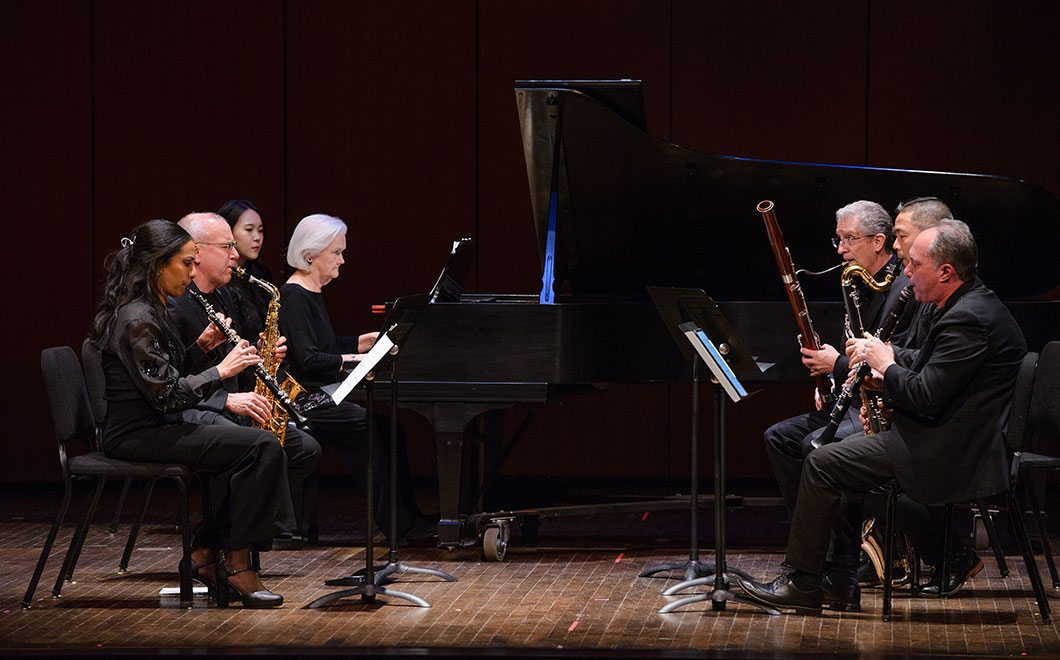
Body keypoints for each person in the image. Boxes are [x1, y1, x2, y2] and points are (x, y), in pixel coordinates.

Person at [738, 220, 1027, 613]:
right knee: (834, 456)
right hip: (940, 434)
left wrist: (886, 367)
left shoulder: (970, 317)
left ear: (946, 272)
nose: (905, 270)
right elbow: (927, 366)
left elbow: (924, 394)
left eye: (915, 264)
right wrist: (878, 367)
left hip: (954, 450)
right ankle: (837, 581)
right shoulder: (963, 304)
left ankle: (805, 583)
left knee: (823, 460)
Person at [89, 219, 293, 608]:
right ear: (157, 266)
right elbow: (165, 395)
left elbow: (166, 375)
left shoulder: (152, 308)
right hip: (137, 434)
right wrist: (221, 370)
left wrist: (199, 349)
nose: (190, 273)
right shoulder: (136, 318)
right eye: (185, 264)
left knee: (245, 444)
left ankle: (208, 554)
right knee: (261, 447)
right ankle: (236, 564)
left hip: (157, 423)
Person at [761, 201, 903, 608]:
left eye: (849, 239)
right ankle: (825, 560)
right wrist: (835, 376)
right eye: (838, 238)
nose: (840, 249)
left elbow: (891, 361)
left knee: (818, 448)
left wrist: (836, 364)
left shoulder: (904, 289)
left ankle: (839, 571)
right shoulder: (857, 281)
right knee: (781, 438)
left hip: (886, 410)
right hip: (861, 399)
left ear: (880, 242)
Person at [166, 212, 322, 547]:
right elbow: (170, 382)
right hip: (194, 413)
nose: (236, 255)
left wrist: (263, 355)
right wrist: (227, 400)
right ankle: (225, 545)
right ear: (198, 251)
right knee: (256, 448)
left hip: (230, 407)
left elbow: (230, 362)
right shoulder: (174, 306)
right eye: (227, 247)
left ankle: (232, 533)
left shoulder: (223, 296)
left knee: (305, 449)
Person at [277, 213, 432, 543]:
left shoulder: (311, 292)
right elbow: (308, 360)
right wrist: (356, 358)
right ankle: (396, 526)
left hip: (319, 391)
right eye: (336, 253)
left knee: (392, 429)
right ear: (310, 256)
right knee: (365, 424)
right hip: (303, 399)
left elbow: (322, 346)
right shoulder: (293, 296)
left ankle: (408, 517)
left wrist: (359, 342)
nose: (342, 260)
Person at [218, 200, 271, 341]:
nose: (257, 237)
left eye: (260, 230)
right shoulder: (219, 278)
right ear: (229, 232)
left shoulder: (261, 272)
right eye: (249, 230)